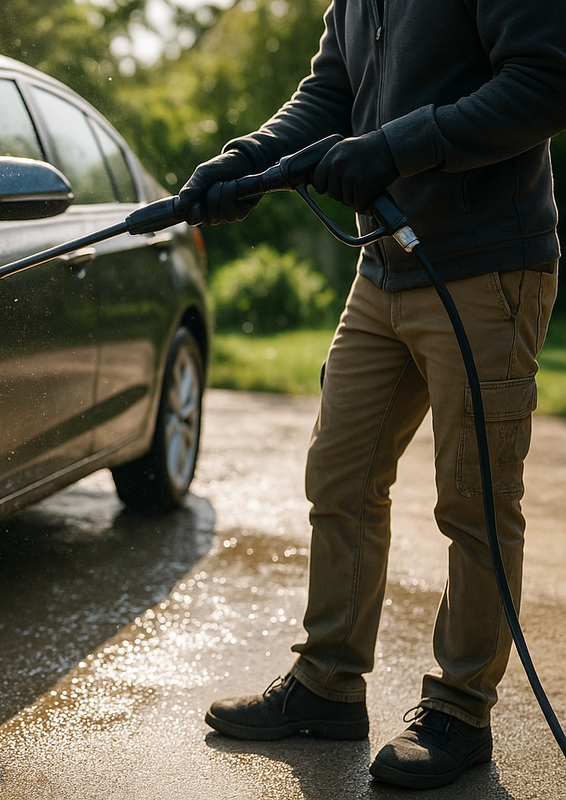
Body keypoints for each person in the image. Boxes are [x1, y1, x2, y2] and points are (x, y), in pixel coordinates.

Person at [182, 0, 566, 790]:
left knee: (475, 502)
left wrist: (395, 147)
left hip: (490, 264)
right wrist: (246, 160)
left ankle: (461, 711)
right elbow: (330, 93)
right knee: (340, 473)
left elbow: (545, 81)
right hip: (383, 267)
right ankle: (327, 683)